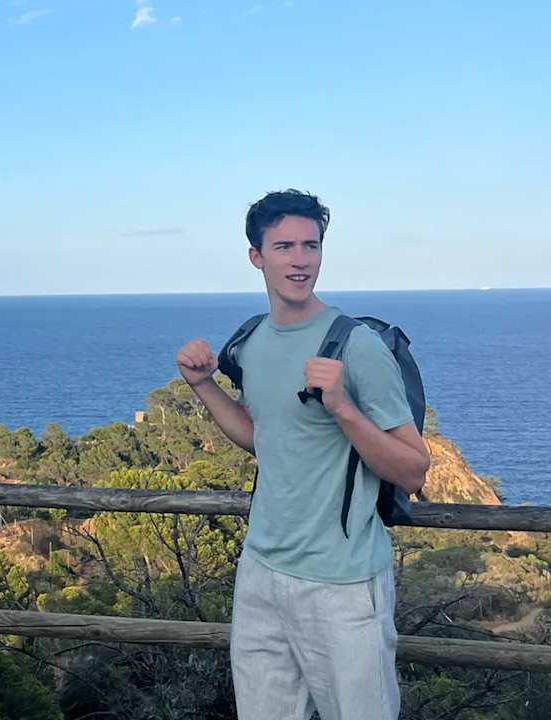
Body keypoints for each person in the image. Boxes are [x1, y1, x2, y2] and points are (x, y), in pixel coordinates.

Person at [174, 189, 431, 719]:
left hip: (342, 582)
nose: (300, 260)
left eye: (310, 246)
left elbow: (413, 470)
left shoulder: (356, 345)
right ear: (256, 256)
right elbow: (262, 438)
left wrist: (343, 408)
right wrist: (203, 385)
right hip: (261, 571)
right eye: (284, 246)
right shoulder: (251, 342)